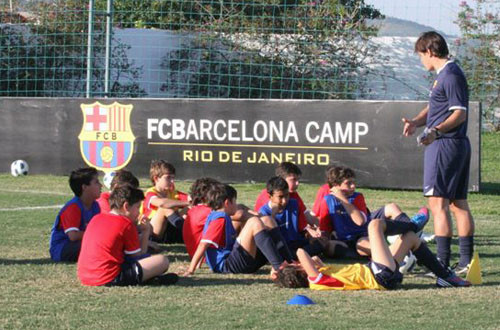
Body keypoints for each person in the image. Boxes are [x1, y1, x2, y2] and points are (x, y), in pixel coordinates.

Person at [402, 31, 474, 273]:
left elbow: (459, 113)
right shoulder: (443, 76)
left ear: (430, 52)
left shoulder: (451, 75)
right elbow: (435, 106)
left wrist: (436, 132)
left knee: (438, 203)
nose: (421, 60)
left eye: (421, 55)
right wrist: (416, 122)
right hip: (453, 144)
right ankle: (465, 262)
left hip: (446, 145)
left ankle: (442, 263)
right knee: (457, 203)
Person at [274, 217, 470, 290]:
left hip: (380, 273)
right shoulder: (316, 282)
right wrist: (281, 266)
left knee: (410, 238)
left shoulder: (321, 275)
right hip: (379, 276)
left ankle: (445, 277)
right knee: (375, 225)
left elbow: (312, 259)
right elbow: (300, 252)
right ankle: (413, 223)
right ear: (299, 269)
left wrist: (308, 264)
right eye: (299, 265)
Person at [317, 166, 429, 257]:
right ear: (336, 186)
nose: (353, 186)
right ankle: (396, 250)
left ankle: (411, 228)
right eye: (348, 183)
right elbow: (325, 230)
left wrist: (343, 200)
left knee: (391, 207)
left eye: (353, 182)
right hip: (346, 241)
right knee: (330, 247)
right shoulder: (327, 200)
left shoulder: (357, 197)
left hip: (363, 234)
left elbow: (360, 221)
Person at [78, 185, 178, 286]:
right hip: (108, 277)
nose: (139, 212)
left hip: (85, 276)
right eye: (137, 207)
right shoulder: (126, 224)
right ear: (126, 206)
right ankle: (147, 278)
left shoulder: (97, 218)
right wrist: (146, 231)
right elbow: (138, 257)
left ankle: (150, 278)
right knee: (162, 261)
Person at [184, 183, 292, 276]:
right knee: (254, 222)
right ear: (227, 203)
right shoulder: (219, 219)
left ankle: (289, 261)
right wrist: (191, 269)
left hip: (237, 262)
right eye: (234, 202)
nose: (236, 205)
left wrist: (198, 265)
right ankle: (279, 267)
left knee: (267, 220)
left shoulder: (222, 216)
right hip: (227, 266)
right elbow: (204, 244)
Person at [258, 176, 324, 258]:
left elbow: (302, 227)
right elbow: (267, 240)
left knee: (321, 243)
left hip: (295, 242)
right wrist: (273, 215)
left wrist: (311, 235)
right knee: (283, 253)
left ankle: (300, 254)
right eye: (280, 197)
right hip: (281, 246)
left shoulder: (293, 204)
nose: (285, 200)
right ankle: (299, 255)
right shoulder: (264, 213)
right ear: (269, 196)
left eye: (287, 195)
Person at [49, 167, 101, 262]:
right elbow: (73, 236)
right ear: (84, 187)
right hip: (62, 249)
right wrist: (98, 235)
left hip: (81, 243)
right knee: (99, 243)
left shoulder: (95, 205)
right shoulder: (73, 207)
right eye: (96, 182)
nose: (101, 185)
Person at [254, 162, 318, 226]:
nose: (297, 183)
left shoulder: (293, 194)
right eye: (293, 180)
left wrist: (320, 228)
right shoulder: (271, 195)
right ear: (282, 180)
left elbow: (305, 213)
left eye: (298, 180)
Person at [141, 160, 190, 243]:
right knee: (164, 208)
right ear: (156, 178)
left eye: (173, 178)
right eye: (168, 178)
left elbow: (192, 199)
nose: (172, 181)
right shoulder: (150, 193)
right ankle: (189, 234)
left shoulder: (173, 193)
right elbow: (161, 203)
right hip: (152, 233)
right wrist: (188, 202)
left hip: (168, 232)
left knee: (190, 207)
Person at [183, 177, 220, 259]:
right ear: (205, 197)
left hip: (197, 253)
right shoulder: (206, 211)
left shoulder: (194, 210)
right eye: (216, 194)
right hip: (206, 257)